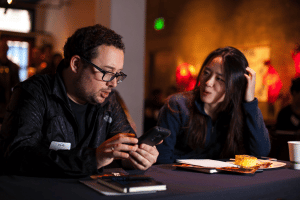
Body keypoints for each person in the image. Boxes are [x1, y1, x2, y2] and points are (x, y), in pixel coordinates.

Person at [0, 24, 159, 177]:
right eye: (107, 72)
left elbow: (125, 148)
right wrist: (93, 159)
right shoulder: (33, 93)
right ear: (76, 64)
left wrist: (135, 158)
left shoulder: (109, 101)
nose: (113, 83)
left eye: (118, 74)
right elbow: (17, 156)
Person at [156, 46, 271, 164]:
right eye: (206, 73)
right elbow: (162, 160)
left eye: (219, 79)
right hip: (181, 178)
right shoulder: (178, 105)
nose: (208, 82)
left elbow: (261, 153)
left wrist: (250, 103)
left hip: (224, 180)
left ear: (234, 85)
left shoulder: (238, 111)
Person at [0, 39, 20, 123]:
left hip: (9, 104)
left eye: (5, 48)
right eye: (1, 48)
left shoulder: (13, 67)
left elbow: (17, 85)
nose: (3, 50)